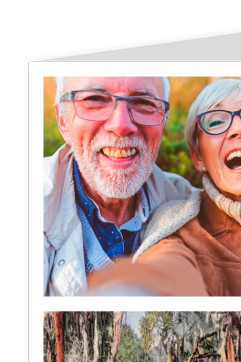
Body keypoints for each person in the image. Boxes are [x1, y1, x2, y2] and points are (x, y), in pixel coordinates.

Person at [87, 78, 241, 296]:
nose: (239, 129)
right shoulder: (176, 229)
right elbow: (165, 271)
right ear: (198, 157)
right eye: (216, 121)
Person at [44, 76, 198, 296]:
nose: (121, 125)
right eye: (95, 99)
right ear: (62, 120)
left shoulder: (187, 204)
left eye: (144, 103)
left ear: (163, 121)